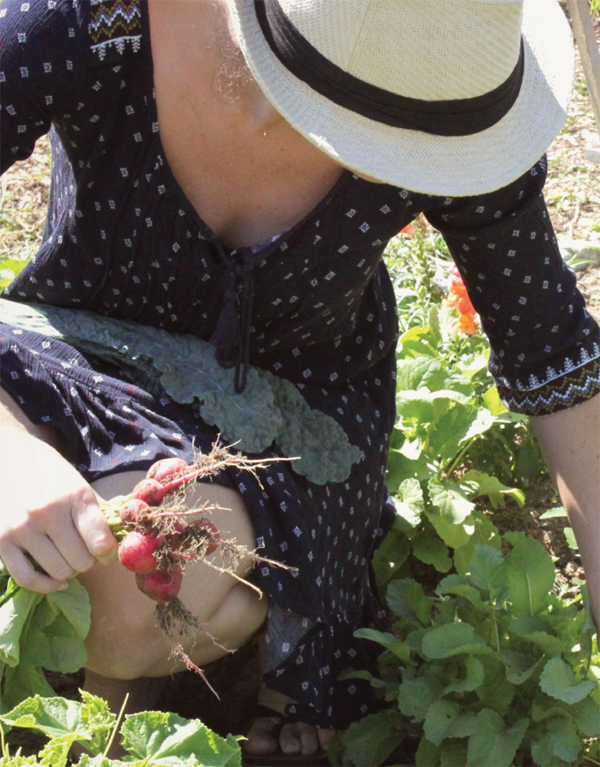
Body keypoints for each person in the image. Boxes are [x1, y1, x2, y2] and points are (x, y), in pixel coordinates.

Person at [0, 0, 598, 763]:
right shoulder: (98, 19)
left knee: (124, 573)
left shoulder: (443, 98)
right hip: (65, 353)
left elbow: (555, 353)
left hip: (280, 420)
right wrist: (9, 448)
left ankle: (119, 714)